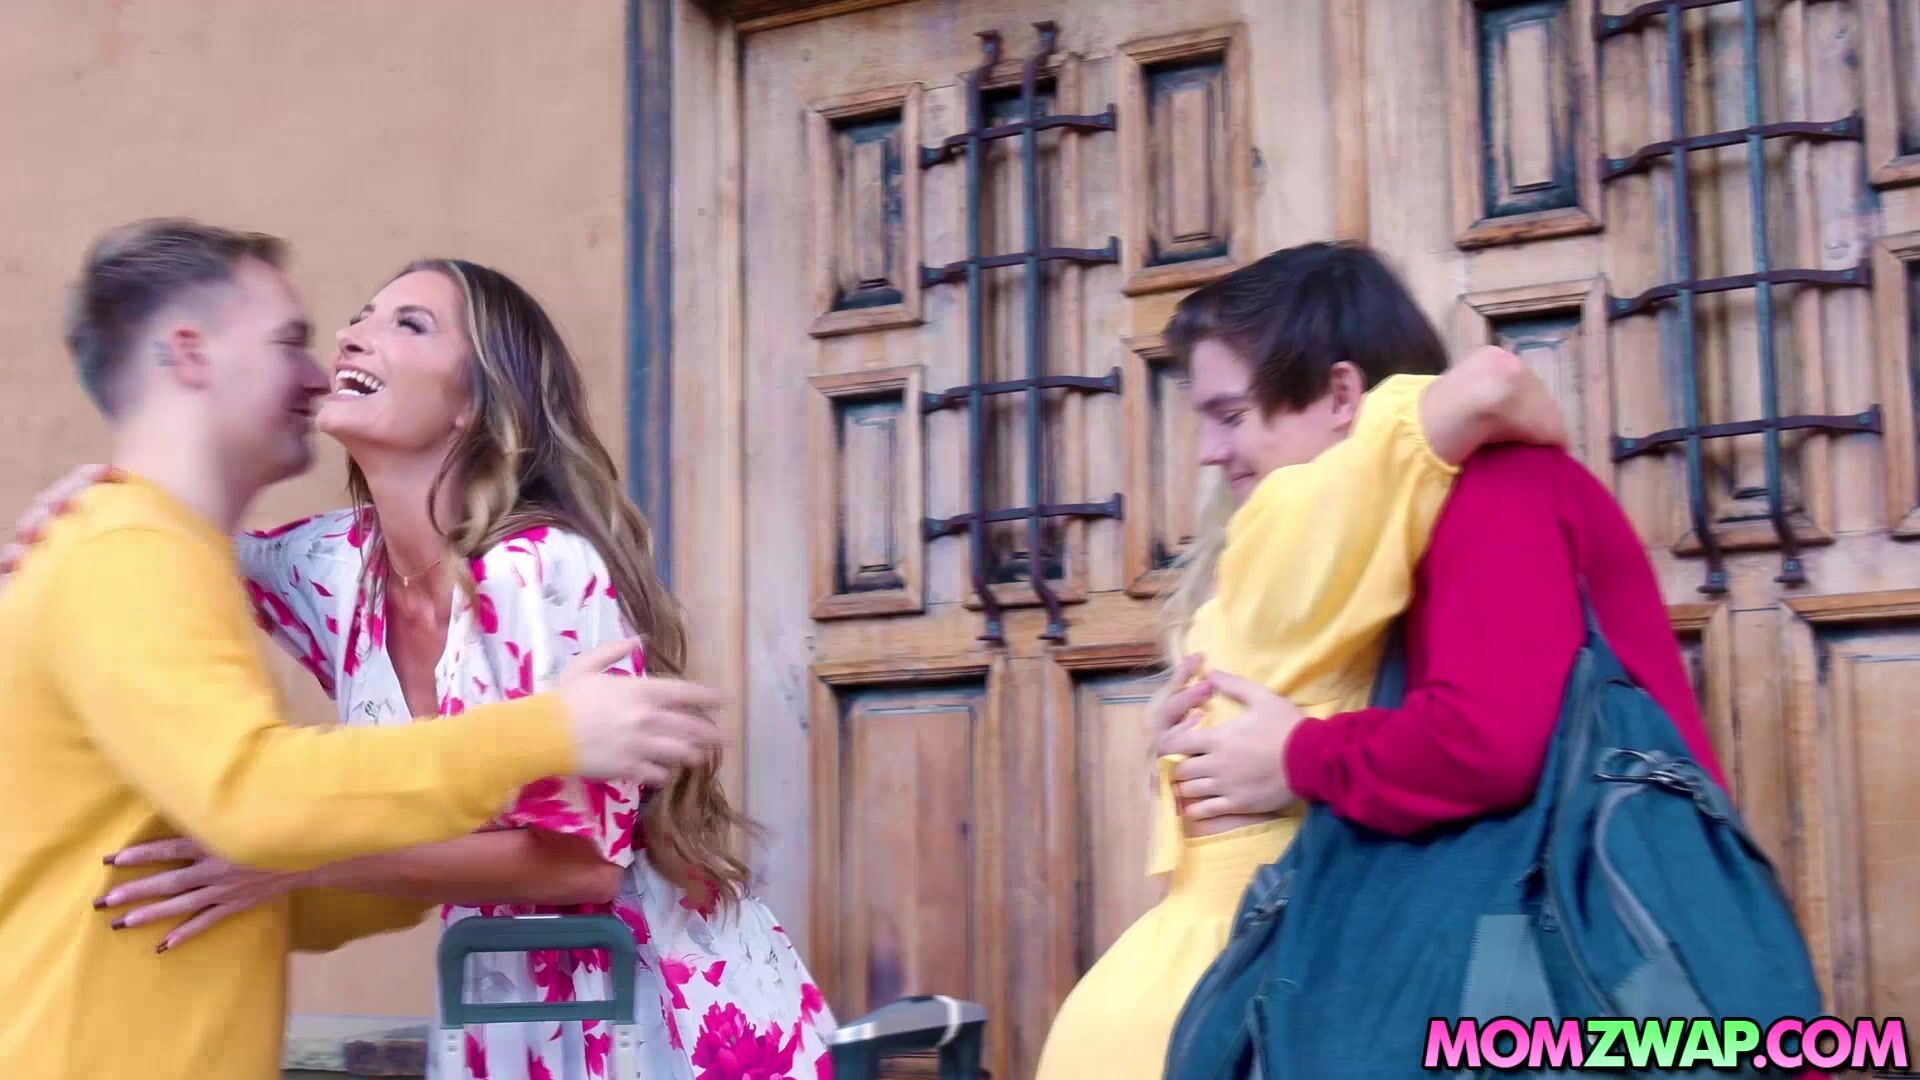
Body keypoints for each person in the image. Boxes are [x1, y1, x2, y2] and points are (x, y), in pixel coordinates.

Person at [19, 258, 834, 1078]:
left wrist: (290, 859)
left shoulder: (539, 568)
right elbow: (156, 544)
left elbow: (583, 864)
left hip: (657, 1006)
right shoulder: (330, 567)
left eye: (409, 324)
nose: (351, 337)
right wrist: (87, 499)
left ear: (474, 401)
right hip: (499, 998)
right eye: (360, 317)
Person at [1034, 242, 1571, 1079]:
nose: (1208, 451)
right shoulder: (1295, 531)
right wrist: (1548, 453)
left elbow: (1493, 383)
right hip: (1238, 1008)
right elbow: (1498, 385)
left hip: (1189, 996)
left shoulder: (1299, 535)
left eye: (1230, 415)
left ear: (1343, 395)